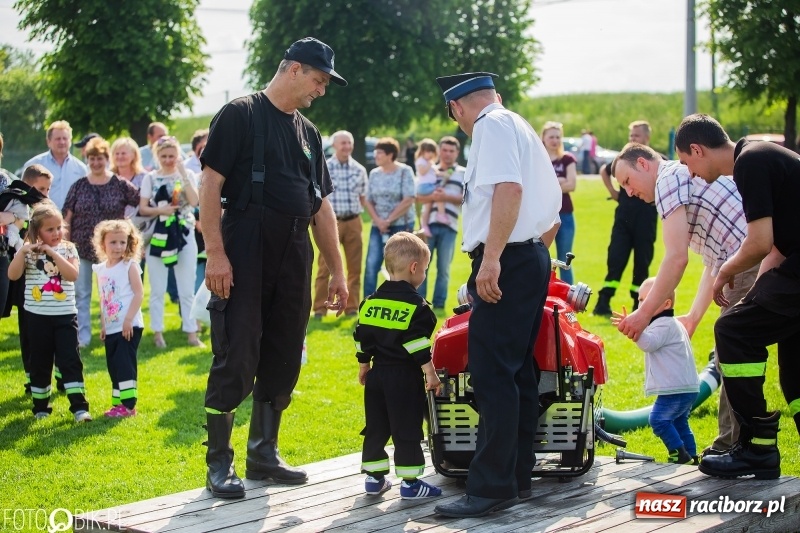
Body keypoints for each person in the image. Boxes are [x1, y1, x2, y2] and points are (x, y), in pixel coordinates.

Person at [199, 36, 348, 499]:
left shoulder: (310, 133)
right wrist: (216, 253)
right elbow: (210, 185)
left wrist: (337, 270)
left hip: (294, 250)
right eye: (319, 80)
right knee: (238, 352)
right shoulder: (240, 114)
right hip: (245, 244)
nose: (321, 90)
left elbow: (321, 205)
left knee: (284, 351)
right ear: (294, 68)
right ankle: (219, 462)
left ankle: (263, 453)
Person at [432, 72, 561, 518]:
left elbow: (509, 189)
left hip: (507, 258)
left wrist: (493, 259)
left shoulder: (490, 124)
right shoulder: (517, 123)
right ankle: (515, 476)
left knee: (491, 373)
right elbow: (552, 211)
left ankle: (491, 486)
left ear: (456, 108)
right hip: (527, 255)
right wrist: (526, 253)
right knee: (516, 371)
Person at [675, 113, 800, 480]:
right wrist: (753, 297)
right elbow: (775, 248)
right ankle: (758, 450)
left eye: (687, 163)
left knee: (732, 331)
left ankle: (756, 448)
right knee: (794, 375)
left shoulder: (750, 162)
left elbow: (758, 243)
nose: (691, 174)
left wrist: (724, 272)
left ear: (698, 149)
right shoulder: (760, 156)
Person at [612, 142, 753, 458]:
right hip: (740, 260)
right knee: (733, 348)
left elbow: (676, 259)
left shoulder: (666, 180)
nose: (628, 192)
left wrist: (643, 314)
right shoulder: (679, 178)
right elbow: (713, 261)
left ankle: (734, 446)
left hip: (748, 259)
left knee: (734, 351)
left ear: (644, 164)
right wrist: (693, 317)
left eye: (627, 181)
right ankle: (734, 444)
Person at [354, 232, 443, 499]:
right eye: (425, 269)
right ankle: (410, 484)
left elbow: (361, 337)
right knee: (406, 428)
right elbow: (417, 344)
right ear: (414, 268)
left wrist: (363, 366)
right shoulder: (417, 307)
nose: (424, 274)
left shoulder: (370, 302)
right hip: (404, 377)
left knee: (376, 426)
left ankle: (374, 479)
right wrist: (431, 374)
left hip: (377, 376)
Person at [8, 201, 91, 422]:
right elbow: (12, 275)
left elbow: (72, 275)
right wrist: (22, 251)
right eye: (50, 229)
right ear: (37, 230)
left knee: (70, 360)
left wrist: (52, 253)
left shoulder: (68, 248)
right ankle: (41, 408)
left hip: (65, 317)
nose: (56, 233)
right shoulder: (28, 251)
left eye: (59, 228)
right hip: (37, 319)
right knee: (39, 362)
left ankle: (79, 408)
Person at [63, 137, 140, 348]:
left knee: (115, 293)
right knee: (82, 293)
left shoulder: (119, 184)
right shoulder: (79, 186)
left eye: (100, 158)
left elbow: (141, 202)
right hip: (82, 247)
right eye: (92, 158)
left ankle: (117, 329)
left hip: (114, 251)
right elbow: (67, 217)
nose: (96, 162)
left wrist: (129, 225)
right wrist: (67, 246)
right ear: (87, 160)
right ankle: (83, 336)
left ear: (107, 159)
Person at [613, 277, 699, 463]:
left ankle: (679, 454)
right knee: (679, 422)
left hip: (675, 389)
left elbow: (649, 344)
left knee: (658, 419)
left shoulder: (664, 324)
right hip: (687, 387)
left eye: (648, 300)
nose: (641, 305)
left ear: (666, 304)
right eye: (640, 299)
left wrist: (635, 332)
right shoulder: (672, 323)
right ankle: (691, 456)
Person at [138, 136, 201, 349]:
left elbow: (194, 201)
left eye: (171, 156)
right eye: (164, 156)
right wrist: (160, 210)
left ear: (178, 155)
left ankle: (191, 333)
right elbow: (143, 207)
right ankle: (158, 333)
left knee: (187, 287)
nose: (168, 160)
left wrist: (182, 172)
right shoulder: (150, 178)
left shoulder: (187, 173)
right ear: (157, 156)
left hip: (184, 233)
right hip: (159, 235)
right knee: (157, 288)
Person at [593, 120, 659, 315]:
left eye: (636, 135)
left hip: (646, 222)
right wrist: (614, 192)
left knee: (642, 264)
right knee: (616, 259)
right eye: (631, 135)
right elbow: (604, 171)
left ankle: (638, 305)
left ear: (647, 137)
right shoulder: (623, 161)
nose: (632, 138)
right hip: (623, 220)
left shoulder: (657, 161)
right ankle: (603, 302)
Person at [0, 165, 52, 394]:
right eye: (40, 189)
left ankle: (44, 377)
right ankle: (34, 378)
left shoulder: (46, 210)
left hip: (38, 275)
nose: (44, 194)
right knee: (27, 327)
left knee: (39, 326)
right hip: (16, 269)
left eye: (48, 189)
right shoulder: (17, 201)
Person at [92, 219, 144, 418]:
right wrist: (104, 325)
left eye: (122, 242)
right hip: (112, 328)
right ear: (102, 244)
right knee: (113, 367)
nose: (118, 247)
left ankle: (129, 406)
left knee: (124, 365)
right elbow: (103, 299)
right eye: (113, 242)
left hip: (128, 327)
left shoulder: (129, 266)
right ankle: (118, 405)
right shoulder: (101, 269)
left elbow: (139, 294)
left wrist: (128, 320)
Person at [313, 130, 367, 318]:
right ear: (334, 145)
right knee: (324, 267)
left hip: (353, 222)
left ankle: (351, 308)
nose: (346, 146)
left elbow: (363, 197)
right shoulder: (324, 168)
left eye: (349, 143)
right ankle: (320, 308)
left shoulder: (360, 170)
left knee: (354, 268)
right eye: (343, 143)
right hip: (331, 224)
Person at [415, 136, 465, 309]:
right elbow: (418, 196)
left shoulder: (463, 173)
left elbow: (466, 199)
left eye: (451, 151)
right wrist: (434, 196)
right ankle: (419, 303)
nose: (447, 154)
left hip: (449, 225)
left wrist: (446, 196)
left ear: (457, 153)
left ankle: (438, 304)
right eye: (444, 150)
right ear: (439, 151)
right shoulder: (429, 170)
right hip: (427, 225)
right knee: (421, 266)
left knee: (443, 268)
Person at [363, 137, 416, 298]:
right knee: (371, 265)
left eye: (379, 153)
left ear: (390, 154)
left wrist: (388, 220)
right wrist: (379, 221)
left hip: (401, 227)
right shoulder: (374, 174)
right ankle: (368, 303)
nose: (375, 156)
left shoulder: (405, 171)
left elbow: (408, 199)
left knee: (401, 268)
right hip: (378, 227)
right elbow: (368, 200)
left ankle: (402, 300)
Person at [541, 121, 577, 284]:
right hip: (543, 216)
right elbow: (535, 185)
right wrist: (559, 181)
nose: (555, 140)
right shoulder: (538, 159)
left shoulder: (567, 159)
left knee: (564, 259)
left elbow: (572, 185)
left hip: (565, 214)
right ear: (543, 138)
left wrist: (549, 185)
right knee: (540, 257)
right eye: (551, 137)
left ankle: (567, 294)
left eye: (558, 137)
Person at [23, 120, 88, 210]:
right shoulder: (33, 165)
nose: (62, 142)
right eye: (58, 139)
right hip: (40, 216)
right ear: (48, 141)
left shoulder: (81, 169)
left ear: (70, 141)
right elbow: (23, 194)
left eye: (65, 138)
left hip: (71, 218)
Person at [110, 137, 147, 219]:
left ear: (134, 155)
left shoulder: (144, 178)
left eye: (123, 153)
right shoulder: (108, 177)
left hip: (138, 223)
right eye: (117, 154)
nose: (120, 156)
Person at [414, 138, 444, 238]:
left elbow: (436, 173)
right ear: (422, 152)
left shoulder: (429, 162)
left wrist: (445, 174)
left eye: (432, 152)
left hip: (429, 186)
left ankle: (424, 226)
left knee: (427, 207)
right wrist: (429, 164)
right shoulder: (421, 161)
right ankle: (441, 214)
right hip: (424, 186)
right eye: (428, 151)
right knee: (439, 194)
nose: (430, 154)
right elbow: (422, 172)